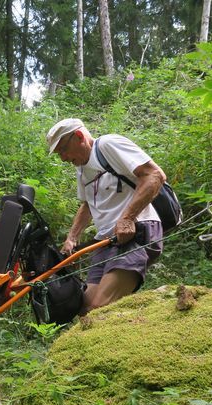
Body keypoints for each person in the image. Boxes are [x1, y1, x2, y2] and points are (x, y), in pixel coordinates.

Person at [46, 118, 166, 314]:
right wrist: (72, 237)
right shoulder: (81, 168)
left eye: (63, 150)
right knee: (85, 308)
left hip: (137, 231)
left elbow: (154, 175)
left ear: (78, 136)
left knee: (100, 307)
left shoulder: (108, 145)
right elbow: (87, 205)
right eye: (59, 154)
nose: (63, 158)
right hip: (106, 240)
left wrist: (127, 218)